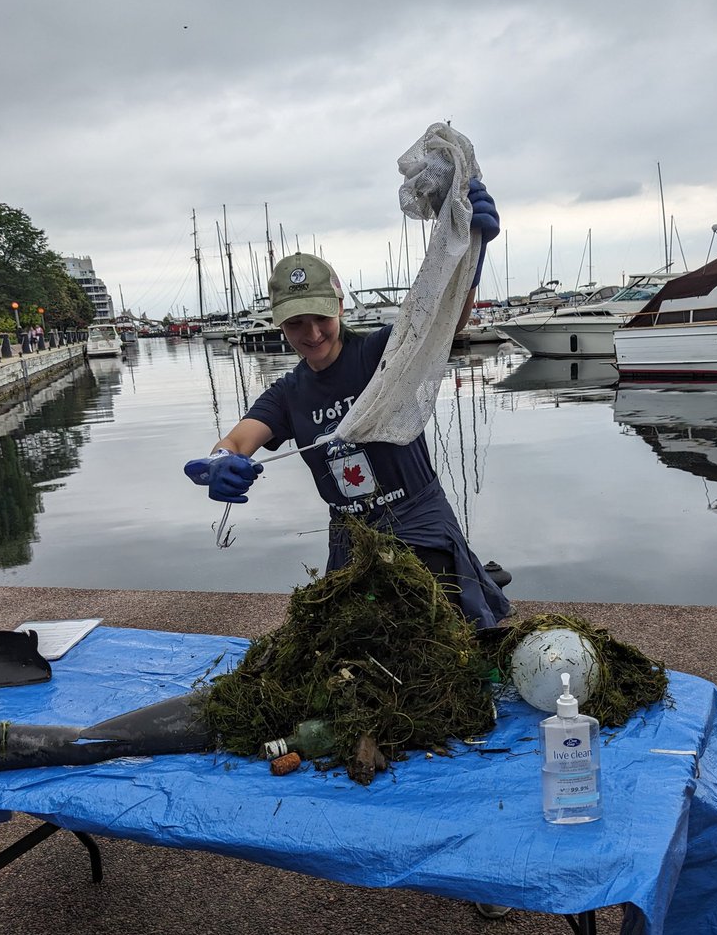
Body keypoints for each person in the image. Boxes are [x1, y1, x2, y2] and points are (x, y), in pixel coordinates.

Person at [185, 180, 510, 629]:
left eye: (321, 317)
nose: (312, 333)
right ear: (278, 323)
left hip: (419, 521)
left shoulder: (381, 354)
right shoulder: (287, 395)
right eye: (296, 323)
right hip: (351, 537)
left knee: (448, 638)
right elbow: (239, 439)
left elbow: (441, 322)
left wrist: (471, 258)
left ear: (340, 304)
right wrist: (220, 462)